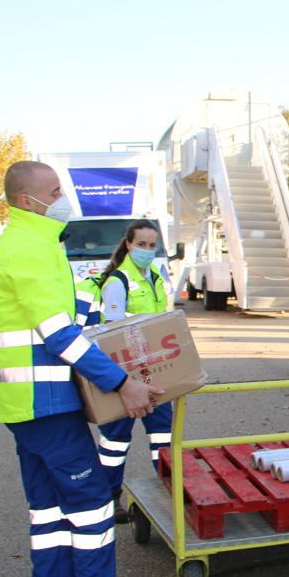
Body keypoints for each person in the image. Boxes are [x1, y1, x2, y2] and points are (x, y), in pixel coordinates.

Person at [0, 161, 161, 577]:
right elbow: (58, 334)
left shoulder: (31, 243)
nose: (64, 199)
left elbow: (65, 319)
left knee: (49, 513)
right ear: (28, 201)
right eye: (56, 190)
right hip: (45, 403)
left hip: (28, 404)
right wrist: (122, 383)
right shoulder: (28, 248)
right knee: (93, 506)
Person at [93, 220, 173, 522]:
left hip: (154, 373)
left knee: (162, 439)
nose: (147, 251)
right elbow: (112, 333)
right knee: (115, 443)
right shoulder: (118, 281)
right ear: (128, 244)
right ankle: (109, 501)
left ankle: (169, 495)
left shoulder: (156, 277)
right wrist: (122, 382)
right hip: (123, 377)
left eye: (153, 246)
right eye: (142, 245)